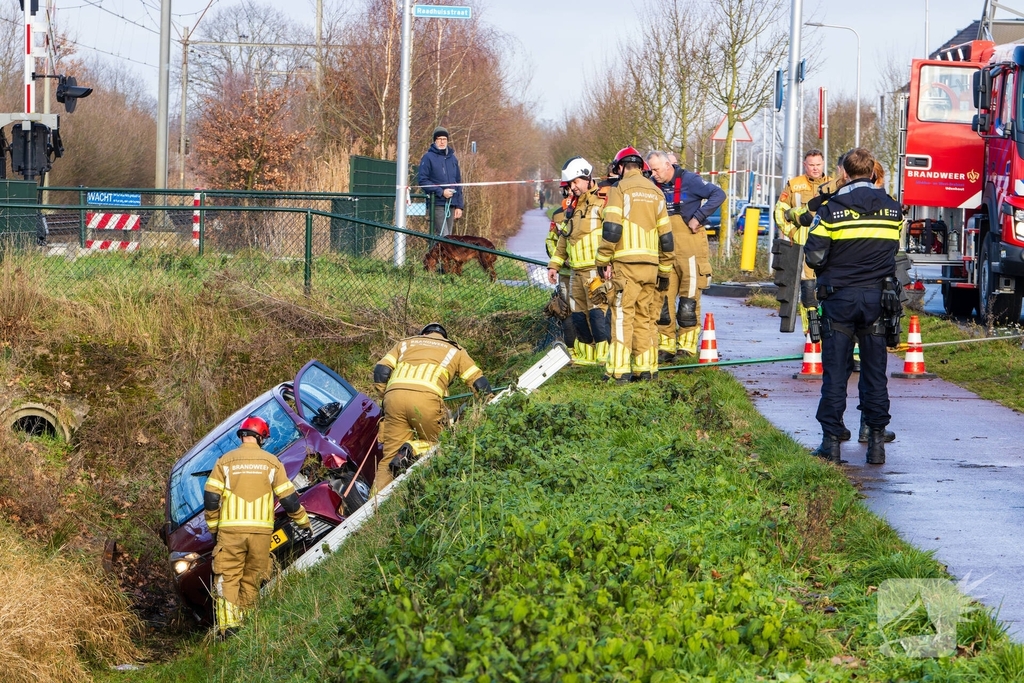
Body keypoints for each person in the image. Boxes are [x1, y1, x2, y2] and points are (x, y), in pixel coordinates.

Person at [804, 148, 903, 465]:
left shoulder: (830, 209)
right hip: (878, 300)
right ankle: (876, 444)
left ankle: (831, 444)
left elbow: (813, 257)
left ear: (844, 173)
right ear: (872, 172)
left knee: (835, 373)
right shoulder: (893, 209)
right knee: (875, 373)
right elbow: (893, 250)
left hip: (840, 299)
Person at [203, 415, 312, 639]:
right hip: (261, 534)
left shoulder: (224, 461)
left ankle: (229, 628)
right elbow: (289, 500)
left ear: (242, 436)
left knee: (228, 576)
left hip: (231, 532)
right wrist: (303, 522)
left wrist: (214, 529)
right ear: (261, 437)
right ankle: (247, 624)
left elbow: (211, 499)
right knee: (252, 578)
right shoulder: (272, 462)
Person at [372, 322, 492, 489]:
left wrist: (385, 397)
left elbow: (381, 371)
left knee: (389, 459)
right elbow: (478, 382)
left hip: (394, 399)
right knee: (443, 442)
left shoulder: (405, 343)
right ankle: (413, 449)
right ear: (444, 337)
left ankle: (375, 504)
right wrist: (490, 402)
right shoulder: (455, 350)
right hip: (426, 399)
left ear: (424, 334)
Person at [597, 146, 674, 383]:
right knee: (645, 317)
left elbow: (612, 229)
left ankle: (619, 371)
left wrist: (602, 259)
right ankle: (646, 369)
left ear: (621, 167)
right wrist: (664, 270)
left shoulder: (619, 189)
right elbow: (667, 237)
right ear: (641, 167)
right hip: (651, 268)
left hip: (626, 266)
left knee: (622, 316)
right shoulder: (657, 192)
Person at [646, 150, 725, 361]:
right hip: (663, 248)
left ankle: (686, 348)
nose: (653, 174)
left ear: (668, 166)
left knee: (688, 300)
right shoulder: (651, 184)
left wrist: (698, 217)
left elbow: (718, 194)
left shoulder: (690, 180)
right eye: (651, 170)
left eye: (656, 170)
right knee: (663, 299)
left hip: (690, 247)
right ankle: (666, 347)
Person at [547, 157, 611, 366]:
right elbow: (563, 239)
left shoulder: (603, 202)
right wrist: (554, 265)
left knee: (598, 313)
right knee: (578, 316)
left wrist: (609, 263)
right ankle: (586, 356)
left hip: (596, 270)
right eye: (570, 183)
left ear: (587, 177)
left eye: (575, 182)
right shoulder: (572, 207)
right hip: (575, 272)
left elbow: (614, 234)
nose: (572, 187)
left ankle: (604, 356)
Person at [774, 149, 831, 334]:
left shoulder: (833, 185)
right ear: (805, 165)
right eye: (811, 165)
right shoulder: (794, 185)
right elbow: (779, 212)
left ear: (823, 164)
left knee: (828, 287)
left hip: (829, 246)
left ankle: (827, 327)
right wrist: (792, 232)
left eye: (818, 164)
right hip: (804, 246)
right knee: (808, 288)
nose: (815, 168)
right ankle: (810, 331)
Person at [417, 127, 463, 237]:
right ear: (435, 140)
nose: (442, 142)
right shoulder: (428, 157)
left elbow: (458, 182)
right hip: (437, 202)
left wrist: (459, 206)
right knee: (443, 235)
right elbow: (423, 180)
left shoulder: (453, 158)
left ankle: (441, 250)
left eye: (444, 139)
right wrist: (441, 192)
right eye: (439, 139)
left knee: (449, 236)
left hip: (451, 203)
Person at [545, 201, 577, 349]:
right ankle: (572, 349)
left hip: (587, 271)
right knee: (566, 311)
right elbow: (551, 241)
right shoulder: (558, 214)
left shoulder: (592, 208)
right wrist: (561, 262)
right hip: (565, 274)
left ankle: (591, 350)